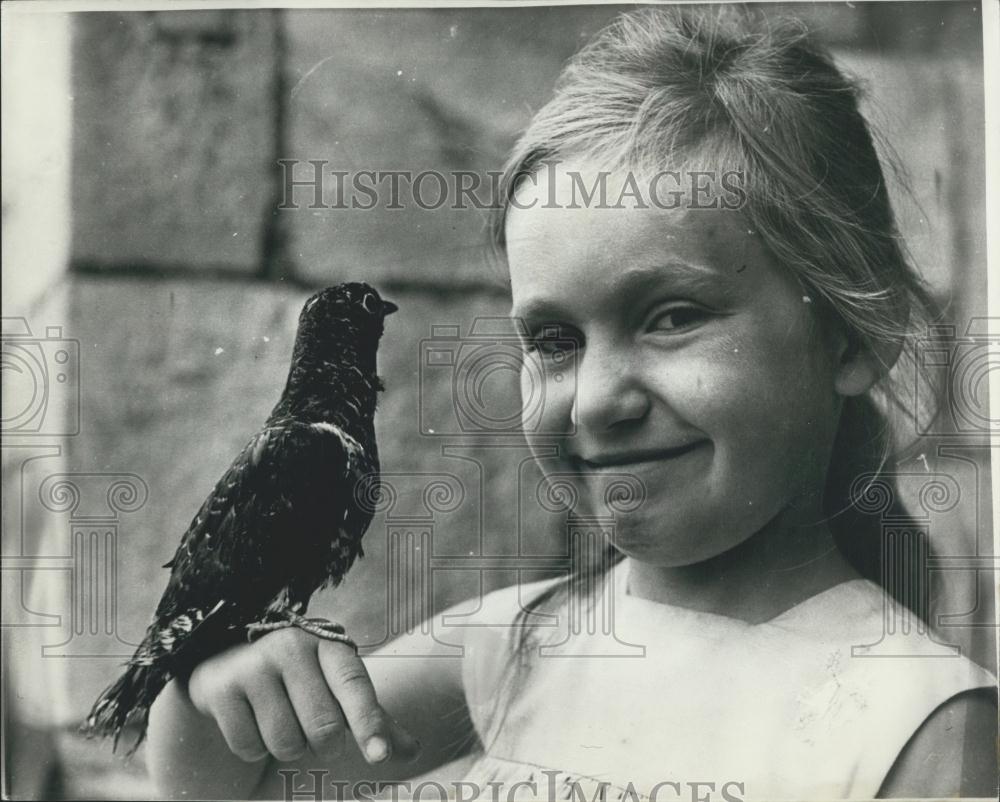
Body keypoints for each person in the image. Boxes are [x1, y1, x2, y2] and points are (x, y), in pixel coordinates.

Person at [146, 7, 997, 800]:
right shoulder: (513, 643)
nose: (594, 402)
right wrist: (213, 693)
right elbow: (234, 784)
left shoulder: (922, 727)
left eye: (671, 317)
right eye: (554, 341)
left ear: (851, 334)